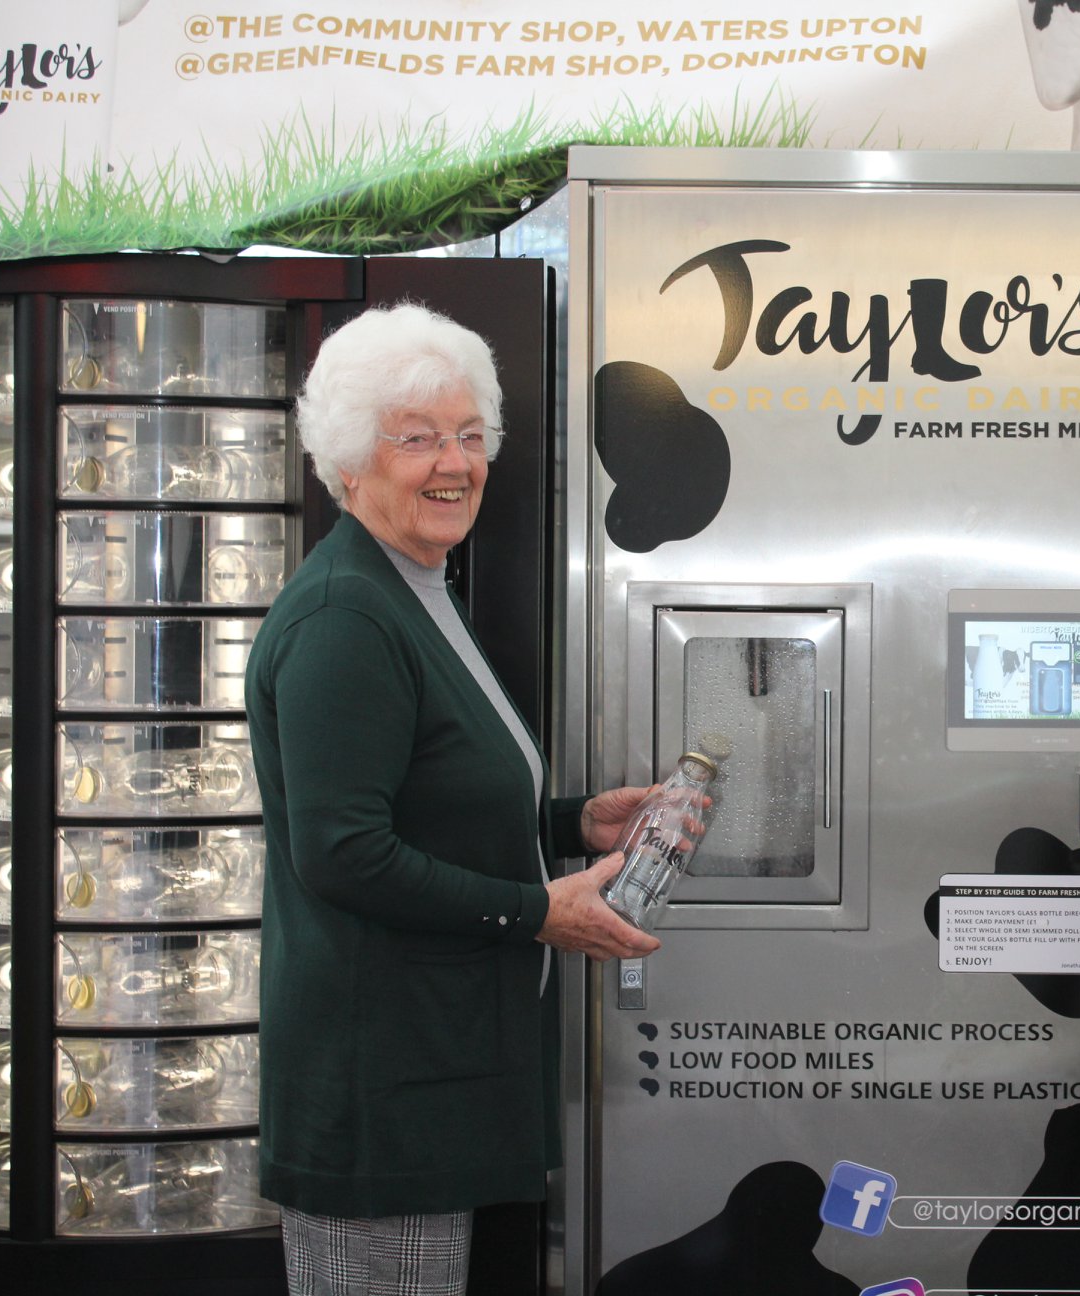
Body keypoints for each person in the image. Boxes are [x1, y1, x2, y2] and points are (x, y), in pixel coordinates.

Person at [245, 302, 658, 1296]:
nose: (455, 463)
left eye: (471, 436)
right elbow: (344, 852)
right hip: (384, 1094)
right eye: (419, 437)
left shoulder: (414, 584)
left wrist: (572, 821)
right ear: (350, 462)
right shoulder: (346, 615)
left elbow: (427, 801)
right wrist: (536, 910)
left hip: (435, 1070)